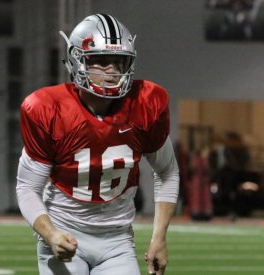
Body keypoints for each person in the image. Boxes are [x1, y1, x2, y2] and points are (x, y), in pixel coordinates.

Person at [16, 13, 179, 275]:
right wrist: (51, 234)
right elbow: (27, 187)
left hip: (117, 240)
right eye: (100, 61)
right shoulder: (48, 109)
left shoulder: (145, 104)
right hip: (65, 232)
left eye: (118, 61)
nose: (112, 70)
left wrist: (159, 237)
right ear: (76, 60)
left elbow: (168, 172)